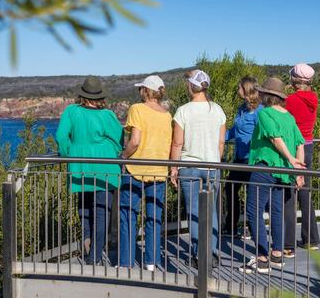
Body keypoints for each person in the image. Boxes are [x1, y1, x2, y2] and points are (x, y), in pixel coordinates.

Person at [56, 76, 123, 265]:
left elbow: (61, 136)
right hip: (106, 170)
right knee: (101, 213)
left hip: (80, 169)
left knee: (84, 209)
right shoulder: (107, 115)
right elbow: (119, 139)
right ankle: (94, 255)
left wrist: (70, 155)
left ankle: (87, 242)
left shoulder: (71, 111)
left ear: (82, 95)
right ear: (100, 96)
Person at [240, 77, 305, 274]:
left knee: (253, 209)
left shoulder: (265, 114)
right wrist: (299, 170)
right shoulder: (289, 116)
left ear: (266, 95)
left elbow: (275, 139)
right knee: (276, 211)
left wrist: (292, 161)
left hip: (265, 167)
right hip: (283, 172)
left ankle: (261, 258)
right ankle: (277, 254)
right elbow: (300, 143)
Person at [170, 70, 226, 269]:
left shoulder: (183, 111)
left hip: (190, 167)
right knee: (211, 211)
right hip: (212, 167)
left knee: (194, 212)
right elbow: (221, 142)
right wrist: (215, 160)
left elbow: (177, 143)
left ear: (190, 86)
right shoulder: (217, 110)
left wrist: (173, 169)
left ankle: (198, 254)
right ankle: (212, 252)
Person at [118, 75, 172, 271]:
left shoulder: (137, 109)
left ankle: (126, 262)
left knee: (128, 215)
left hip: (135, 170)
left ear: (146, 91)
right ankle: (151, 261)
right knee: (154, 218)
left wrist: (123, 157)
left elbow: (135, 141)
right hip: (159, 171)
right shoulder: (167, 115)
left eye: (141, 88)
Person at [283, 63, 320, 258]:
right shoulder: (313, 99)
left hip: (294, 147)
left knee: (289, 195)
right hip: (309, 146)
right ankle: (311, 239)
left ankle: (288, 244)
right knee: (305, 192)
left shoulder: (290, 101)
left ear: (294, 80)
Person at [224, 76, 263, 238]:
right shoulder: (241, 109)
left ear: (246, 89)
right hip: (239, 158)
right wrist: (219, 138)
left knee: (251, 195)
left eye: (239, 87)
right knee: (230, 188)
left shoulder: (260, 112)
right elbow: (234, 130)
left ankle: (249, 227)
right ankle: (231, 227)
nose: (237, 90)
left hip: (252, 159)